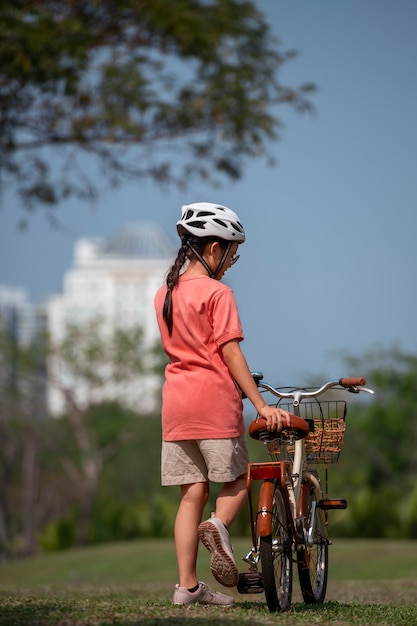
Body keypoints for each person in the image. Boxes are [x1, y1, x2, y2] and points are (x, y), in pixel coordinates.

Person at [154, 202, 292, 606]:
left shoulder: (165, 292)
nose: (232, 261)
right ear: (213, 249)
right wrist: (261, 404)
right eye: (231, 252)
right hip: (213, 401)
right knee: (236, 479)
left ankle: (187, 588)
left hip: (176, 404)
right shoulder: (218, 292)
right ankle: (218, 524)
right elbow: (229, 353)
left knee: (190, 494)